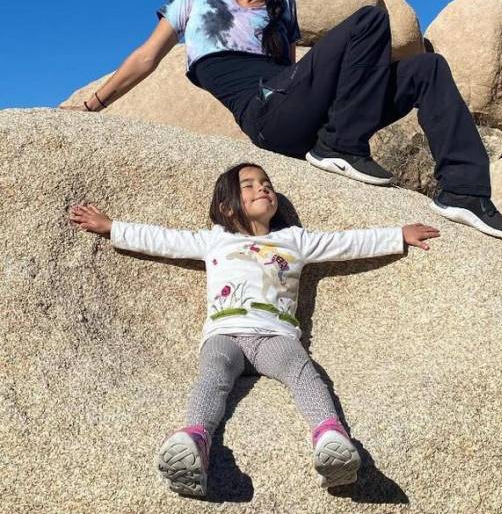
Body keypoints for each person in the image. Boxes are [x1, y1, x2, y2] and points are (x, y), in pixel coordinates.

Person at [60, 0, 502, 240]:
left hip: (295, 99)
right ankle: (341, 145)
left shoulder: (282, 10)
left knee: (427, 69)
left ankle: (465, 191)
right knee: (369, 20)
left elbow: (294, 70)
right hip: (266, 113)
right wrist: (93, 104)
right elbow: (147, 56)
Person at [68, 162, 440, 497]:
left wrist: (396, 235)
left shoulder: (294, 239)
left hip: (275, 336)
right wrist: (111, 227)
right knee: (213, 377)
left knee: (304, 374)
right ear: (228, 205)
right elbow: (163, 239)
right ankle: (195, 439)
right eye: (249, 185)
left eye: (266, 183)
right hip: (224, 334)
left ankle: (331, 437)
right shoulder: (214, 238)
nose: (263, 188)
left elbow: (346, 243)